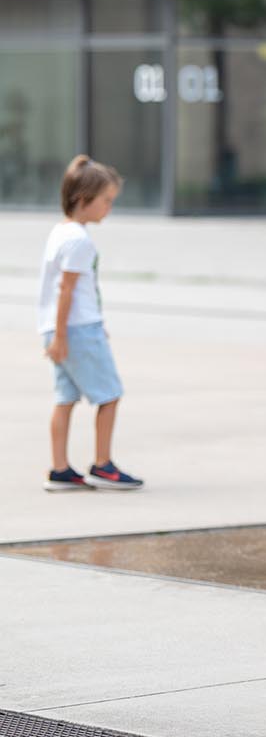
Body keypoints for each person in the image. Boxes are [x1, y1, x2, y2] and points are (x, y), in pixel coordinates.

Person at [40, 156, 141, 492]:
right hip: (76, 330)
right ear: (83, 200)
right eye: (106, 201)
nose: (109, 208)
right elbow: (66, 291)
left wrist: (59, 335)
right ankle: (103, 464)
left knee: (64, 398)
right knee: (110, 395)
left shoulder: (60, 232)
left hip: (64, 329)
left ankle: (59, 469)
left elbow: (72, 292)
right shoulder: (79, 242)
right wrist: (67, 335)